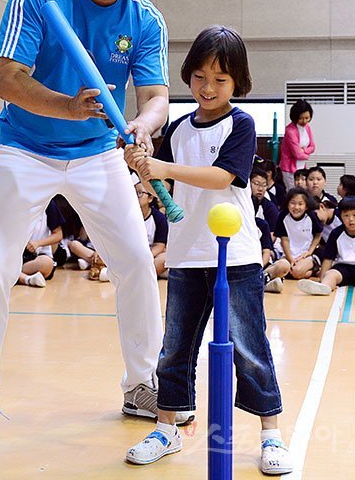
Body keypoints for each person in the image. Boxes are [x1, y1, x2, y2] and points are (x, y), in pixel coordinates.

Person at [0, 0, 180, 449]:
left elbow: (156, 96)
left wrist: (144, 127)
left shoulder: (144, 17)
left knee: (136, 264)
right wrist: (66, 106)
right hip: (26, 150)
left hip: (99, 153)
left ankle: (143, 383)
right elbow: (8, 79)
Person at [124, 26, 292, 474]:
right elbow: (167, 192)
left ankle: (271, 435)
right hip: (185, 255)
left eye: (220, 79)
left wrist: (161, 166)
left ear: (238, 82)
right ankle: (166, 427)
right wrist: (144, 170)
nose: (208, 87)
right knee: (175, 347)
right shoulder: (177, 128)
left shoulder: (241, 124)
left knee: (249, 347)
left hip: (234, 257)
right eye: (199, 76)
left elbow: (222, 177)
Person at [298, 197, 355, 295]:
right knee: (330, 275)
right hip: (343, 268)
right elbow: (328, 259)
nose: (351, 219)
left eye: (354, 215)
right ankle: (323, 287)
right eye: (346, 215)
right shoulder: (336, 233)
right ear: (340, 216)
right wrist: (322, 278)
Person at [274, 188, 323, 280]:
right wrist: (290, 259)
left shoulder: (311, 216)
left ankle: (314, 270)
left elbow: (318, 234)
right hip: (288, 254)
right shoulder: (282, 216)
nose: (296, 207)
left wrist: (309, 252)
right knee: (281, 268)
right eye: (293, 203)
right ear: (287, 204)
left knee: (296, 271)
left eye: (300, 204)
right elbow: (284, 239)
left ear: (306, 206)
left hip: (306, 255)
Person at [16, 199, 65, 287]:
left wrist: (37, 243)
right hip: (14, 255)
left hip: (35, 257)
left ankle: (15, 274)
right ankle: (27, 279)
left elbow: (58, 234)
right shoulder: (16, 200)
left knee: (47, 263)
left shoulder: (48, 203)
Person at [134, 179, 169, 279]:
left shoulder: (159, 218)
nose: (136, 197)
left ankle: (137, 276)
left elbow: (159, 245)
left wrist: (145, 257)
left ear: (150, 198)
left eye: (140, 193)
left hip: (151, 255)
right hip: (132, 255)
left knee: (163, 258)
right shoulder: (127, 217)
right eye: (134, 193)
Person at [279, 99, 315, 191]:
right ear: (295, 117)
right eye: (301, 118)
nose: (304, 121)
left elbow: (313, 147)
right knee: (293, 192)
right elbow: (297, 154)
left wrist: (304, 150)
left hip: (302, 167)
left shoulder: (307, 127)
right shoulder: (290, 130)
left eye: (307, 118)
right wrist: (306, 154)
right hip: (289, 169)